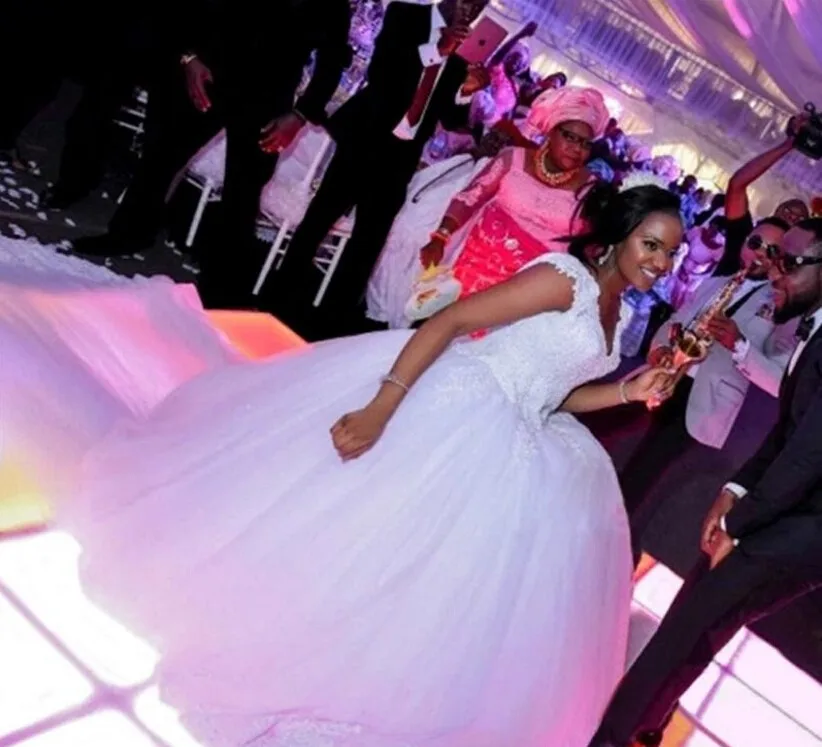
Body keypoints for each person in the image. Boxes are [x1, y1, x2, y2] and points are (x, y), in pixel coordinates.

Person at [1, 183, 682, 746]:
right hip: (457, 405)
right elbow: (448, 324)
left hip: (523, 431)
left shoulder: (620, 313)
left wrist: (629, 389)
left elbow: (557, 393)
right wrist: (383, 405)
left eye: (671, 252)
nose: (660, 260)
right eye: (651, 243)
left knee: (424, 574)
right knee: (347, 529)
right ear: (619, 235)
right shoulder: (563, 280)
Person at [588, 217, 822, 747]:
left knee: (687, 627)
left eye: (788, 262)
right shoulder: (811, 328)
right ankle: (645, 726)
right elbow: (787, 433)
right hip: (780, 508)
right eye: (772, 257)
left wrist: (740, 524)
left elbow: (807, 456)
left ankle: (614, 736)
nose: (775, 272)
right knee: (696, 625)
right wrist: (735, 491)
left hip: (803, 527)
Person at [70, 0, 353, 310]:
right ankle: (128, 234)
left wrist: (300, 115)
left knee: (243, 194)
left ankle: (221, 289)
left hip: (268, 99)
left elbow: (333, 57)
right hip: (211, 73)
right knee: (162, 155)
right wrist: (189, 56)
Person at [261, 0, 491, 341]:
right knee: (317, 222)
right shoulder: (405, 15)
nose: (472, 10)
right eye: (468, 1)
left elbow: (450, 119)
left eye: (480, 5)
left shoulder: (461, 58)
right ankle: (274, 301)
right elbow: (382, 74)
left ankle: (327, 331)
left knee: (367, 246)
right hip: (364, 140)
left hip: (401, 158)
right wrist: (437, 50)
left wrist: (465, 91)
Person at [619, 216, 795, 564]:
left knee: (647, 475)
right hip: (666, 377)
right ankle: (612, 531)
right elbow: (675, 320)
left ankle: (616, 540)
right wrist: (660, 349)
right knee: (628, 455)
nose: (760, 254)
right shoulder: (717, 281)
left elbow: (780, 381)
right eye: (756, 243)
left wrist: (739, 344)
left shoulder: (780, 308)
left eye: (772, 250)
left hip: (704, 401)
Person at [367, 86, 609, 328]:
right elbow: (471, 197)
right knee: (442, 330)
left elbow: (591, 247)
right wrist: (441, 236)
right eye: (570, 137)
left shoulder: (590, 190)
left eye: (586, 144)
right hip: (474, 267)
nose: (577, 149)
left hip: (530, 289)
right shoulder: (513, 158)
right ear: (551, 132)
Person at [713, 113, 810, 276]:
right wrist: (789, 144)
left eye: (799, 218)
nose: (792, 217)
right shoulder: (745, 238)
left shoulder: (791, 270)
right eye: (788, 211)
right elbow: (737, 184)